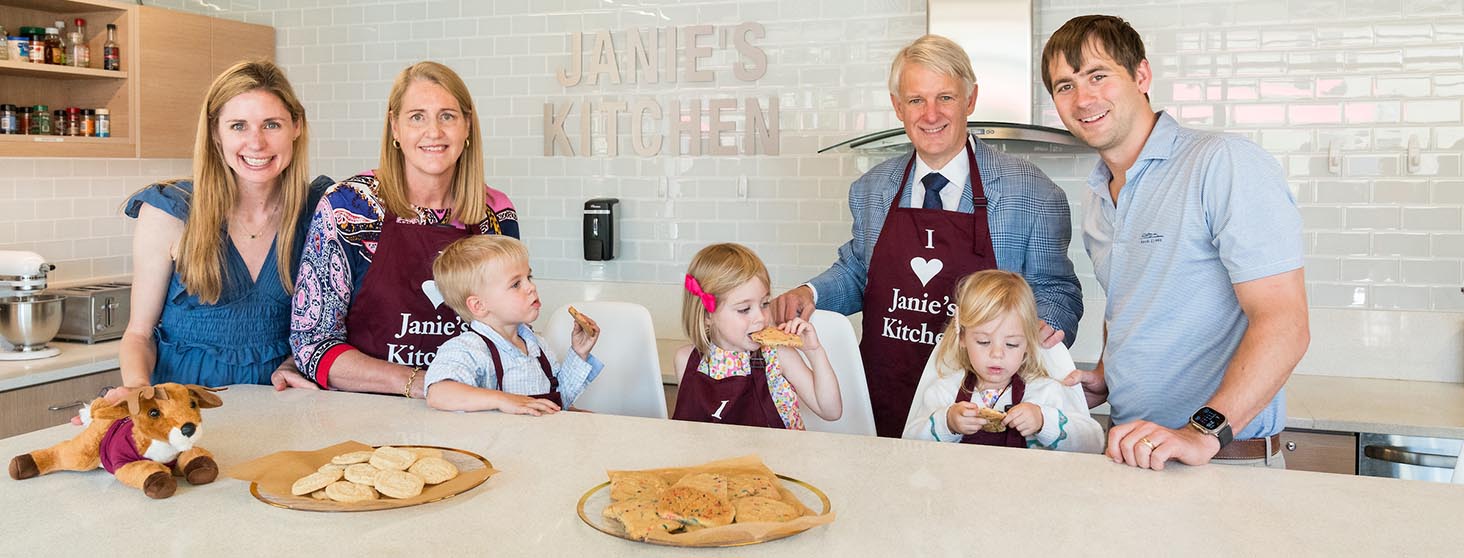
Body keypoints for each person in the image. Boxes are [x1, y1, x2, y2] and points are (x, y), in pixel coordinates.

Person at [772, 34, 1083, 438]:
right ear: (898, 106)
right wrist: (808, 294)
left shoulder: (1031, 192)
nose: (931, 114)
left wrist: (1040, 327)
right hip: (885, 388)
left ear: (970, 101)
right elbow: (857, 272)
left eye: (946, 98)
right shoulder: (872, 189)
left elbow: (1057, 290)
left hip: (980, 404)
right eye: (916, 100)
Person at [1042, 15, 1309, 469]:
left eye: (1098, 75)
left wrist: (1200, 432)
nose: (1083, 98)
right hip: (1131, 453)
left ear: (1141, 75)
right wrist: (1107, 374)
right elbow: (1128, 301)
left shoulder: (1222, 163)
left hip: (1223, 460)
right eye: (1064, 86)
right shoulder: (1096, 193)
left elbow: (1285, 323)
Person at [290, 61, 520, 399]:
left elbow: (510, 330)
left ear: (467, 126)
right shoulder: (349, 207)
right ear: (394, 127)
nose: (434, 132)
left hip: (471, 409)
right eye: (417, 117)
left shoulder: (495, 213)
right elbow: (313, 343)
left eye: (448, 116)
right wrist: (422, 384)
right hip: (365, 410)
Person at [118, 60, 330, 394]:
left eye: (271, 125)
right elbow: (138, 335)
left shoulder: (320, 209)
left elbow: (330, 327)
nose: (256, 143)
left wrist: (293, 362)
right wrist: (137, 387)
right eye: (238, 126)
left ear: (296, 126)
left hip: (283, 403)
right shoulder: (169, 212)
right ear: (216, 132)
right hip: (184, 405)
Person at [902, 270, 1102, 452]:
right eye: (983, 341)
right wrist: (947, 423)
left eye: (1012, 344)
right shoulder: (944, 391)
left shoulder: (1045, 392)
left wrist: (1044, 421)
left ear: (1028, 344)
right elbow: (908, 444)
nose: (997, 354)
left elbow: (1093, 444)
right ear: (962, 337)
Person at [422, 236, 602, 415]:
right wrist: (503, 399)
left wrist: (579, 353)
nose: (531, 287)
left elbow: (558, 401)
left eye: (529, 277)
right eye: (516, 284)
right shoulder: (468, 348)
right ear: (479, 306)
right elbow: (438, 393)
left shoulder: (537, 345)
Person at [674, 243, 842, 429]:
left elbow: (831, 411)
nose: (760, 318)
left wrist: (814, 351)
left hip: (778, 455)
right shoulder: (687, 360)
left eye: (764, 303)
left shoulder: (778, 355)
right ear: (707, 315)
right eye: (745, 309)